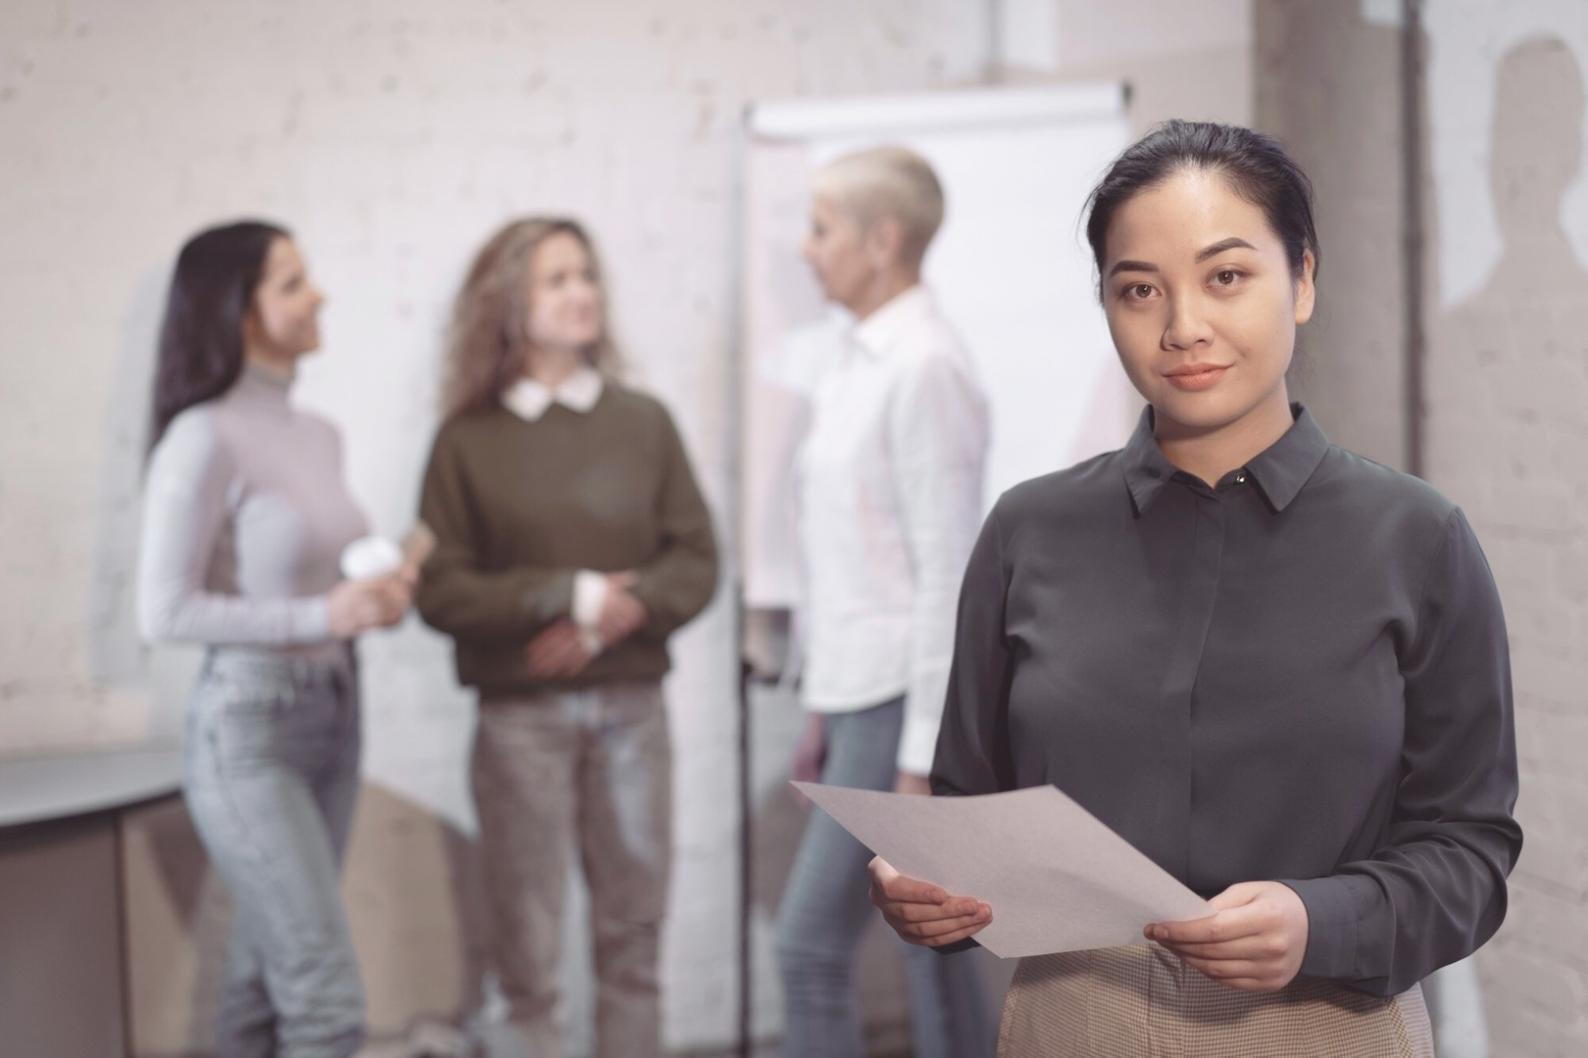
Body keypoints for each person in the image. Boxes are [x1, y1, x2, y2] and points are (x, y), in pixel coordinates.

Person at [867, 120, 1523, 1056]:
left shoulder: (1418, 539)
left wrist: (1322, 920)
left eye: (1226, 277)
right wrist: (925, 892)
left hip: (1325, 1025)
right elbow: (969, 815)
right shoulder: (1028, 531)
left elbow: (1471, 851)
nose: (1183, 328)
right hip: (1071, 1018)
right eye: (1139, 289)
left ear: (1302, 280)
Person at [414, 217, 718, 1058]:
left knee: (634, 943)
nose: (581, 292)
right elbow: (440, 588)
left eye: (586, 274)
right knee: (527, 954)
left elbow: (696, 559)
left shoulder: (644, 421)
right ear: (506, 302)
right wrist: (566, 594)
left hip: (633, 711)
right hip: (520, 727)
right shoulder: (466, 440)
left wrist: (616, 613)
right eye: (556, 279)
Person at [138, 220, 414, 1058]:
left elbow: (318, 580)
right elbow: (164, 611)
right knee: (325, 1002)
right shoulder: (202, 436)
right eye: (292, 283)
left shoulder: (318, 433)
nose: (318, 295)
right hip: (248, 733)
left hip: (334, 713)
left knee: (263, 978)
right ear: (239, 309)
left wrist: (377, 599)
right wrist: (322, 616)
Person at [776, 146, 996, 1058]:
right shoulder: (853, 361)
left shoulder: (925, 366)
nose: (805, 248)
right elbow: (844, 561)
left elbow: (949, 574)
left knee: (808, 948)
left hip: (899, 702)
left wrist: (919, 762)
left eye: (821, 229)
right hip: (855, 696)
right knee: (932, 948)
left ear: (882, 241)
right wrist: (818, 708)